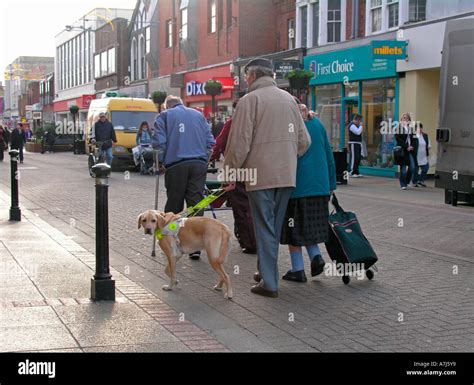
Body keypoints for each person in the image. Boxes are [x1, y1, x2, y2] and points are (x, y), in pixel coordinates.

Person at [224, 58, 311, 298]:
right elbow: (304, 142)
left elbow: (239, 143)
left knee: (264, 228)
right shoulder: (290, 101)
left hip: (259, 174)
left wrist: (230, 172)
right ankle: (265, 271)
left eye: (245, 76)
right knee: (272, 225)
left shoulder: (249, 101)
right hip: (285, 174)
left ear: (252, 76)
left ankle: (270, 283)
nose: (244, 80)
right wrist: (287, 157)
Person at [152, 95, 216, 260]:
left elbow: (159, 143)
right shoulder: (198, 115)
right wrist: (204, 160)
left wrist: (159, 162)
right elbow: (210, 142)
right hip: (198, 163)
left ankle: (171, 239)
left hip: (176, 164)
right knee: (196, 203)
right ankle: (195, 245)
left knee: (174, 203)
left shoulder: (164, 116)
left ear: (167, 106)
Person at [280, 104, 337, 282]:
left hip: (298, 186)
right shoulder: (318, 124)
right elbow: (329, 154)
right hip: (320, 186)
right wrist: (331, 184)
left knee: (293, 229)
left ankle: (298, 269)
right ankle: (316, 257)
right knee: (307, 226)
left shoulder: (291, 128)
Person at [211, 99, 257, 254]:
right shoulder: (257, 121)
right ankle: (257, 239)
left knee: (241, 209)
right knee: (253, 207)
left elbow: (220, 143)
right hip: (257, 170)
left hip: (237, 171)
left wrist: (212, 157)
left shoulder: (232, 123)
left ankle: (250, 242)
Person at [395, 113, 418, 190]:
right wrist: (406, 146)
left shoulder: (412, 129)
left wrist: (412, 146)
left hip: (410, 151)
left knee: (412, 168)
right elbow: (398, 139)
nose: (405, 119)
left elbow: (415, 139)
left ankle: (407, 181)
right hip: (403, 150)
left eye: (407, 118)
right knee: (403, 170)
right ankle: (403, 184)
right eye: (403, 118)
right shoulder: (398, 128)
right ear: (401, 120)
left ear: (409, 120)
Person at [414, 122, 431, 187]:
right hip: (416, 156)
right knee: (416, 170)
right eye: (417, 128)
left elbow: (428, 144)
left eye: (420, 128)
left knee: (425, 168)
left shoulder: (425, 135)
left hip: (424, 156)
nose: (419, 129)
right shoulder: (414, 135)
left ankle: (421, 181)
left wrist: (428, 147)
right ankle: (414, 182)